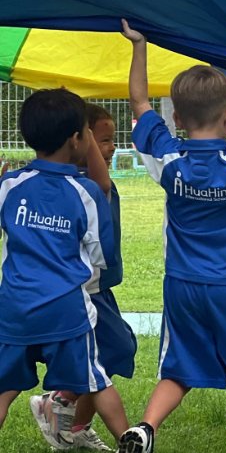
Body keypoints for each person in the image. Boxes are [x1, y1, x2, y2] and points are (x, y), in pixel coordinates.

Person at [118, 20, 226, 453]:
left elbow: (139, 102)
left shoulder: (167, 158)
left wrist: (139, 45)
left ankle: (145, 427)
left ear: (176, 117)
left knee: (179, 368)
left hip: (180, 284)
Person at [0, 89, 129, 445]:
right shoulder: (85, 192)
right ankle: (128, 441)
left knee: (3, 389)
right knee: (95, 379)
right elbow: (102, 255)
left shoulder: (9, 185)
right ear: (77, 139)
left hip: (13, 310)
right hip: (66, 312)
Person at [30, 103, 137, 451]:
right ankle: (59, 401)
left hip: (98, 287)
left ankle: (75, 425)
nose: (111, 148)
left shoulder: (91, 182)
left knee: (110, 354)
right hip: (82, 291)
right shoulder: (83, 183)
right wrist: (76, 118)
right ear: (77, 140)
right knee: (114, 350)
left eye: (111, 139)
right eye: (102, 140)